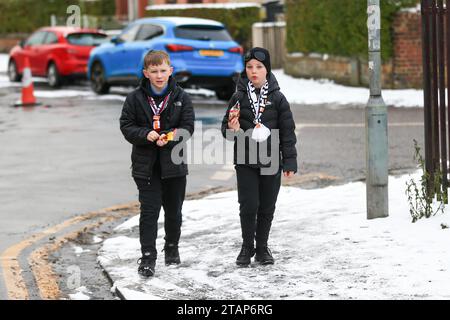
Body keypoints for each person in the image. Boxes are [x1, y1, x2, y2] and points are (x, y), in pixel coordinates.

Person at [120, 50, 195, 277]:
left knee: (174, 212)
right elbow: (126, 125)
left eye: (163, 70)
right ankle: (147, 257)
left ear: (170, 71)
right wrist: (146, 134)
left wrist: (170, 137)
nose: (159, 75)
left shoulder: (182, 97)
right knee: (149, 212)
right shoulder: (134, 98)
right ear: (146, 73)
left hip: (174, 165)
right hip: (146, 167)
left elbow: (188, 127)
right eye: (154, 71)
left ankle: (171, 248)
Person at [221, 47, 297, 266]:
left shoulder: (278, 98)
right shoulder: (238, 97)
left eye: (259, 67)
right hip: (245, 159)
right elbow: (225, 132)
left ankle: (262, 247)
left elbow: (288, 132)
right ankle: (247, 247)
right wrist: (232, 129)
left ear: (267, 70)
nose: (254, 71)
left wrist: (289, 160)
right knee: (248, 205)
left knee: (266, 206)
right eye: (249, 67)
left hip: (271, 160)